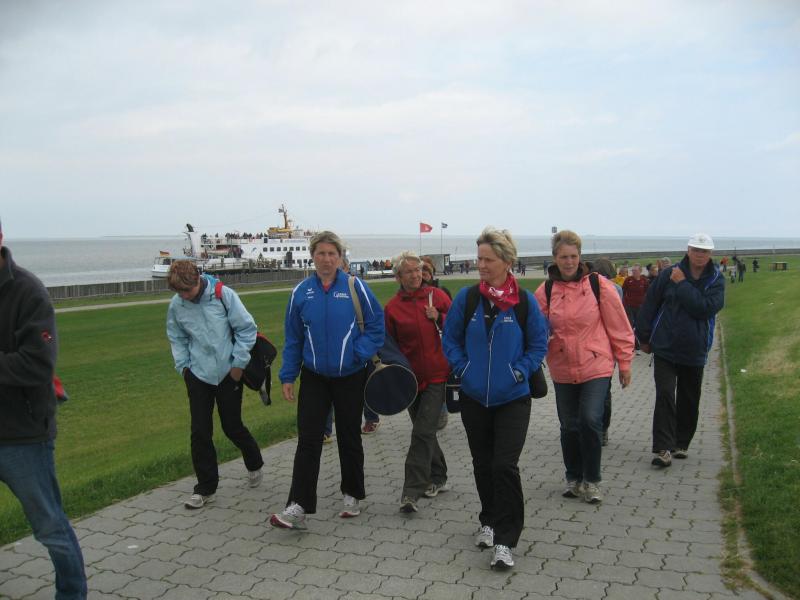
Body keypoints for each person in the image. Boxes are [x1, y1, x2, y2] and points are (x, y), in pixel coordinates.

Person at [443, 227, 548, 571]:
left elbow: (538, 345)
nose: (481, 265)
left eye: (488, 259)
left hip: (513, 397)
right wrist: (464, 368)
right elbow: (450, 340)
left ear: (506, 261)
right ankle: (488, 519)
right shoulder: (467, 299)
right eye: (479, 259)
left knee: (504, 466)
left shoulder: (524, 302)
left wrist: (519, 371)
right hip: (474, 396)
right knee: (483, 463)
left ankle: (505, 540)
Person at [0, 217, 88, 600]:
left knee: (49, 527)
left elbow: (38, 364)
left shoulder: (28, 292)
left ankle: (72, 594)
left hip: (23, 435)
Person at [271, 231, 384, 529]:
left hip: (350, 375)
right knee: (308, 440)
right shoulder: (301, 292)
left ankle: (352, 493)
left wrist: (357, 354)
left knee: (349, 436)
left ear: (340, 257)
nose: (326, 259)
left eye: (332, 254)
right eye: (321, 253)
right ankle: (298, 505)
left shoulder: (355, 287)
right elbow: (293, 338)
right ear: (312, 256)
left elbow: (376, 326)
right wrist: (288, 375)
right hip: (314, 377)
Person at [534, 231, 634, 506]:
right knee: (569, 425)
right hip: (562, 366)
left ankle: (592, 479)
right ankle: (573, 477)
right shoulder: (546, 291)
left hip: (595, 364)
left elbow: (620, 326)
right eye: (563, 257)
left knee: (590, 419)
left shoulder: (598, 285)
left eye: (573, 256)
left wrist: (625, 363)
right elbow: (534, 328)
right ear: (554, 258)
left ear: (580, 256)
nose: (569, 262)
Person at [166, 261, 264, 509]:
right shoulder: (177, 305)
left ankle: (254, 461)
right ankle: (205, 488)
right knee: (200, 431)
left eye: (187, 290)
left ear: (197, 280)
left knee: (232, 426)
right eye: (179, 292)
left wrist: (238, 365)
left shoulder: (223, 295)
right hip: (197, 375)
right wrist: (184, 368)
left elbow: (247, 329)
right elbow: (176, 337)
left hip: (229, 373)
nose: (184, 296)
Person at [636, 233, 725, 467]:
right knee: (665, 394)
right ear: (688, 250)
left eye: (704, 251)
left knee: (689, 397)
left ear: (710, 254)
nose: (699, 255)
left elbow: (704, 308)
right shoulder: (668, 274)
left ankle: (681, 442)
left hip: (695, 349)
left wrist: (683, 284)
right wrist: (643, 337)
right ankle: (662, 448)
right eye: (696, 250)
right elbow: (650, 304)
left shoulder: (716, 280)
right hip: (665, 347)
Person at [385, 252, 452, 514]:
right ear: (398, 277)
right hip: (409, 379)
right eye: (409, 272)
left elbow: (459, 327)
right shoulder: (392, 308)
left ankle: (411, 492)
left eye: (418, 270)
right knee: (425, 431)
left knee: (422, 432)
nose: (415, 275)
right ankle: (439, 476)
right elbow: (389, 345)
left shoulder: (438, 297)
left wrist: (440, 318)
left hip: (437, 375)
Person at [588, 258, 624, 447]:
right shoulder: (617, 289)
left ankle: (594, 426)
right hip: (608, 345)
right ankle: (603, 428)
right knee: (605, 389)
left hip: (593, 344)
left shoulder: (588, 287)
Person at [622, 264, 650, 351]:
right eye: (633, 271)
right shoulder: (628, 280)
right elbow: (623, 291)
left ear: (640, 271)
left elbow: (648, 292)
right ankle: (631, 344)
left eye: (635, 271)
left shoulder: (644, 280)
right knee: (629, 325)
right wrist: (624, 303)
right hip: (629, 306)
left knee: (639, 325)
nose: (633, 272)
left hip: (640, 307)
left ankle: (639, 343)